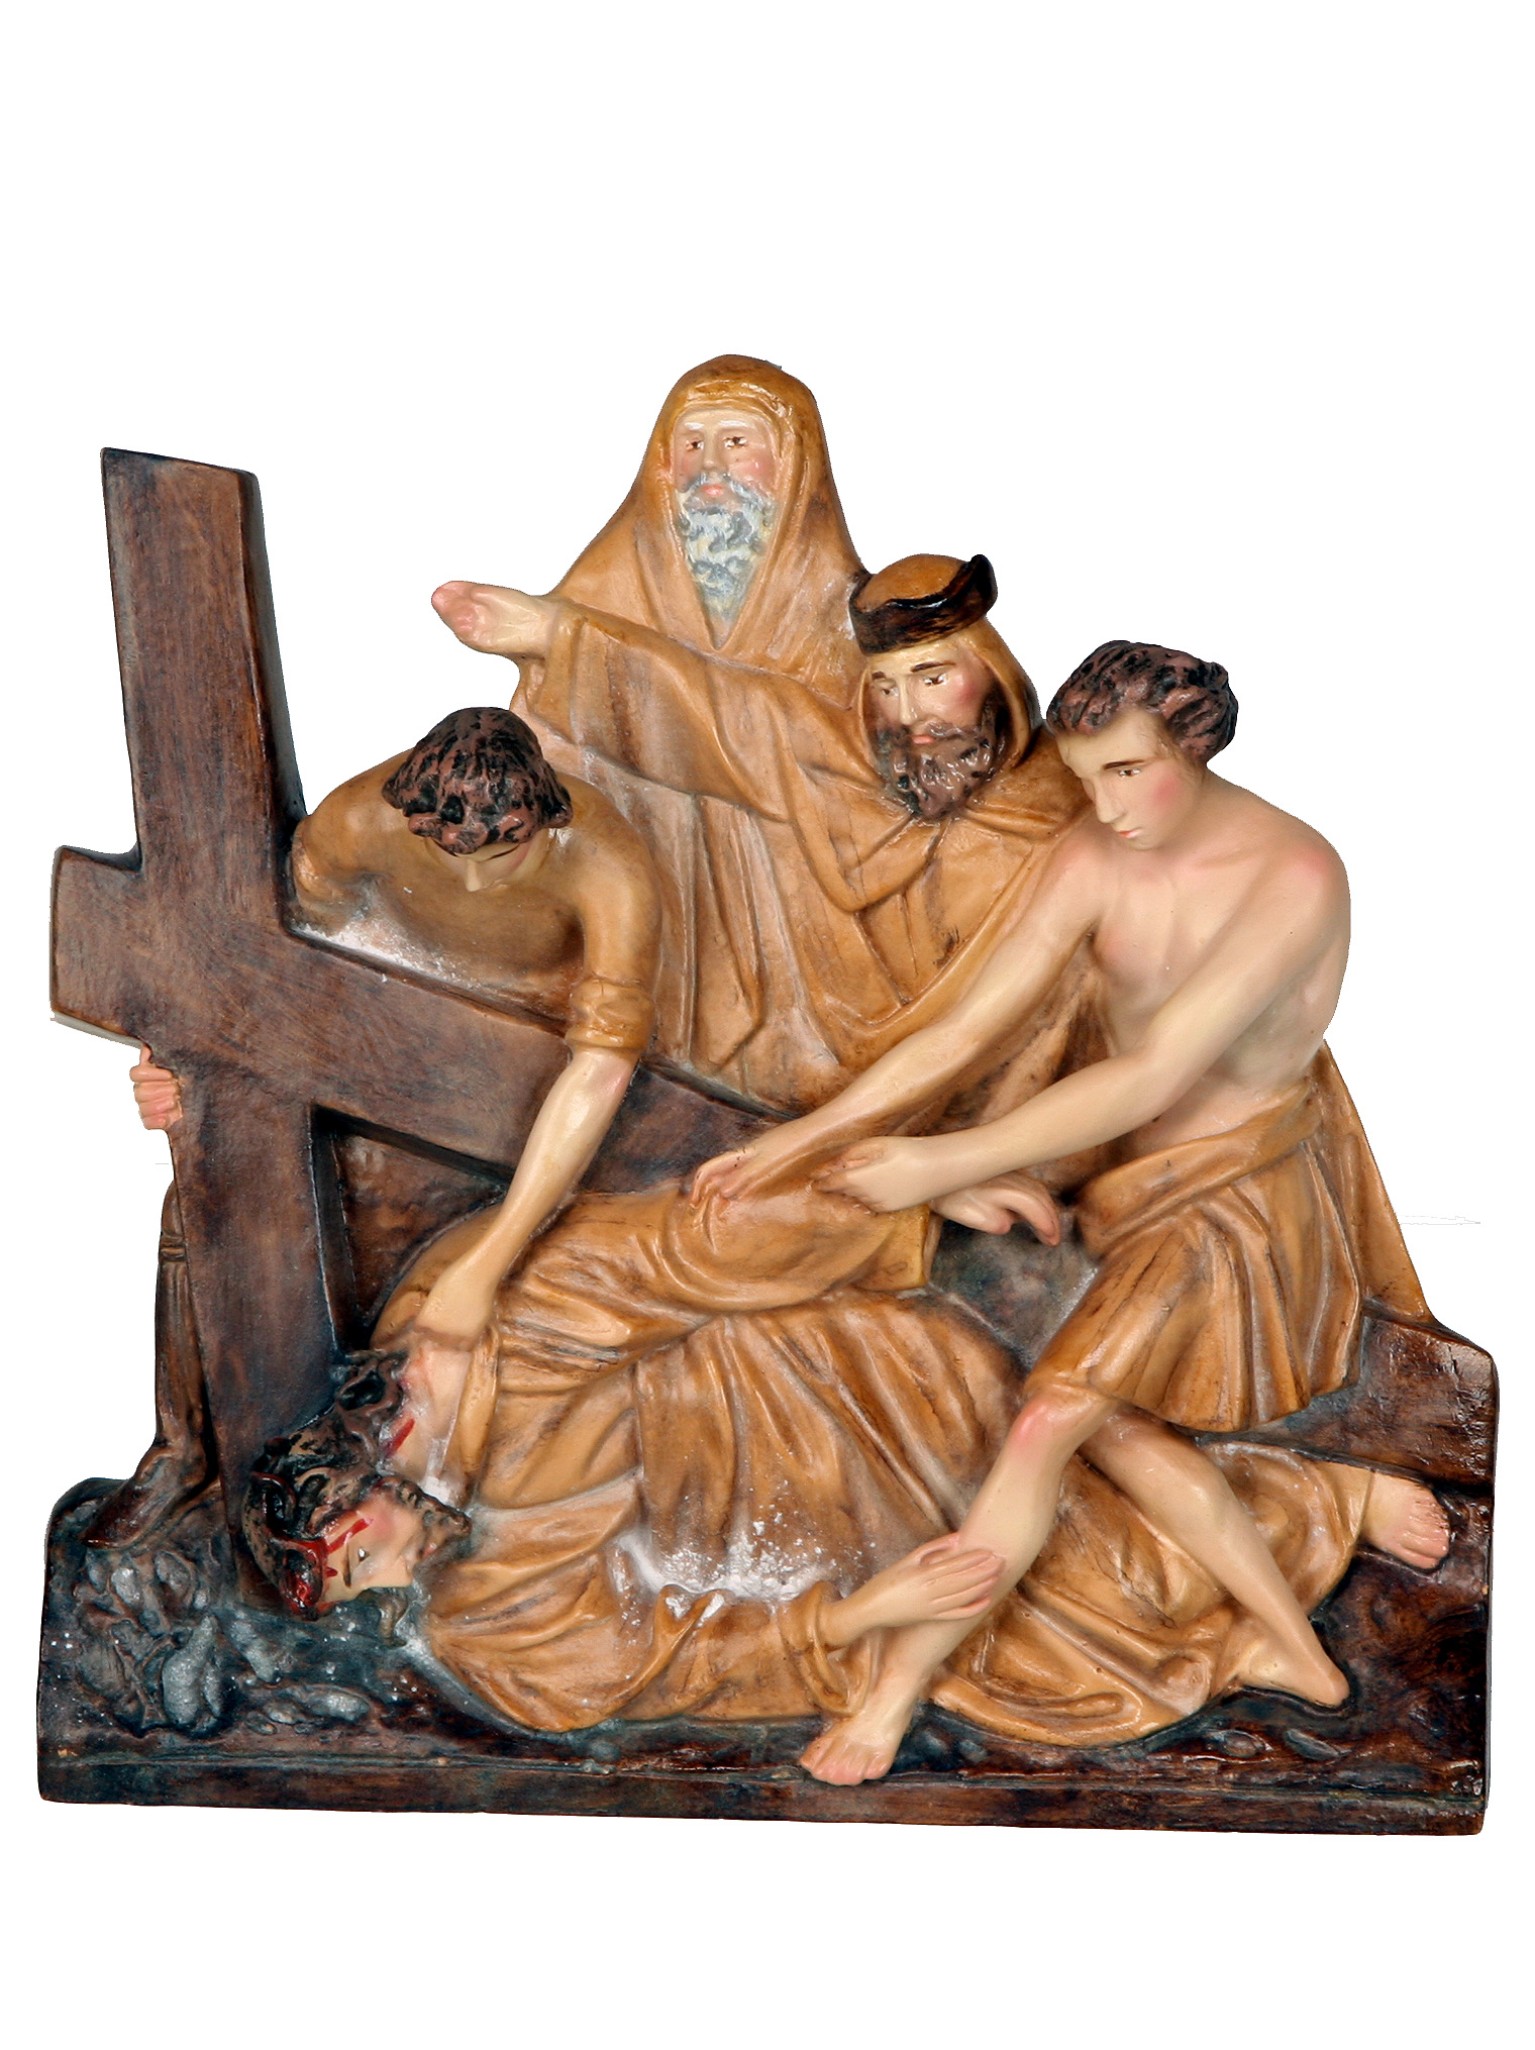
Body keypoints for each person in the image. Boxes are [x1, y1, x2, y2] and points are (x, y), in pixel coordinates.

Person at [694, 639, 1451, 1782]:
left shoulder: (1293, 874)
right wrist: (806, 1138)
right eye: (1087, 776)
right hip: (1115, 1188)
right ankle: (1303, 1647)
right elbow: (965, 1031)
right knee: (1119, 1430)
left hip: (1238, 1206)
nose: (1104, 807)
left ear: (1194, 748)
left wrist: (940, 1159)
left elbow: (1150, 1075)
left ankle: (890, 1694)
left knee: (1049, 1421)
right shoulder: (1096, 851)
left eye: (1128, 772)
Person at [241, 1164, 1439, 1746]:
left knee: (1074, 1498)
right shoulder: (480, 1617)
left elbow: (684, 1247)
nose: (389, 1586)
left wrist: (911, 1198)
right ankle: (1280, 1543)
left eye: (362, 1561)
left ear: (358, 1486)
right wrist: (860, 1614)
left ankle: (1313, 1487)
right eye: (363, 1588)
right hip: (793, 1553)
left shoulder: (480, 1332)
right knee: (1045, 1647)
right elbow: (673, 1663)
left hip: (835, 1383)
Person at [93, 709, 660, 1543]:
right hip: (370, 1057)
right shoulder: (359, 822)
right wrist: (179, 1061)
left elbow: (600, 1068)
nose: (477, 885)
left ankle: (389, 1517)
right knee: (210, 1202)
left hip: (518, 1115)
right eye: (450, 857)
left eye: (506, 855)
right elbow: (247, 947)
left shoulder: (606, 867)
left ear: (547, 818)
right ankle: (187, 1452)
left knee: (429, 1299)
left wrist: (489, 1262)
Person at [435, 546, 1087, 1112]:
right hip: (814, 1081)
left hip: (989, 1105)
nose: (910, 713)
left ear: (991, 671)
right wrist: (554, 632)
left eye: (933, 678)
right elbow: (716, 708)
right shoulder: (837, 760)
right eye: (885, 688)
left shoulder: (1069, 803)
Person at [437, 355, 871, 1090]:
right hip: (642, 897)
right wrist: (554, 651)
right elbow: (547, 755)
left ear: (795, 465)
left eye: (738, 443)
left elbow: (833, 760)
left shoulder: (844, 613)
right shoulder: (612, 581)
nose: (711, 468)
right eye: (691, 444)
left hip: (796, 933)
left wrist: (563, 639)